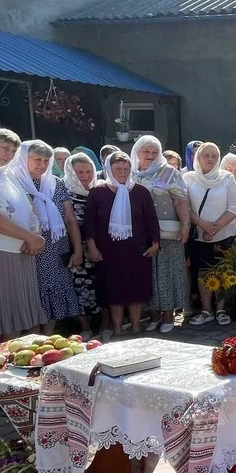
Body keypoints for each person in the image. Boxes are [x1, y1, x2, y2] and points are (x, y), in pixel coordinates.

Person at [10, 140, 83, 334]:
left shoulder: (55, 183)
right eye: (36, 159)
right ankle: (32, 339)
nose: (41, 165)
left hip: (56, 249)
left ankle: (48, 336)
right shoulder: (14, 182)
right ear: (24, 158)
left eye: (45, 160)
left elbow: (70, 219)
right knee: (31, 296)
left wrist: (77, 250)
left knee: (55, 293)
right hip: (27, 250)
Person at [84, 152, 160, 339]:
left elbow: (151, 219)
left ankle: (135, 328)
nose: (122, 172)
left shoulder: (141, 192)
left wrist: (156, 243)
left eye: (126, 168)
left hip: (136, 250)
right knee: (113, 290)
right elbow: (90, 223)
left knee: (135, 290)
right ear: (109, 168)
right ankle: (117, 330)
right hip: (108, 251)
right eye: (118, 168)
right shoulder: (98, 192)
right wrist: (92, 247)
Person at [130, 135, 190, 334]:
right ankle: (154, 315)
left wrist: (186, 225)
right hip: (140, 233)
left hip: (166, 233)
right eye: (146, 151)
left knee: (167, 273)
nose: (150, 155)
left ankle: (168, 315)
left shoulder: (169, 172)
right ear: (137, 152)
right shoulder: (131, 173)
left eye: (155, 152)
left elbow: (181, 200)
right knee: (149, 274)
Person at [184, 142, 236, 326]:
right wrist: (204, 226)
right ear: (198, 158)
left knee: (223, 271)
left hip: (224, 234)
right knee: (203, 272)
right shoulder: (188, 178)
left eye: (214, 155)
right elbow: (186, 208)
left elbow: (234, 207)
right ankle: (206, 310)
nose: (210, 159)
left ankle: (221, 309)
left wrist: (214, 227)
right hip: (199, 234)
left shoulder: (227, 178)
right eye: (206, 155)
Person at [0, 147, 47, 339]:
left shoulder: (10, 177)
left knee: (18, 313)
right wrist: (30, 237)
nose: (8, 154)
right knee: (8, 312)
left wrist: (34, 235)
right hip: (4, 251)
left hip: (21, 250)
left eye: (12, 150)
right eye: (4, 147)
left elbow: (29, 210)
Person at [63, 153, 106, 339]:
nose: (86, 176)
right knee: (78, 289)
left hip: (102, 248)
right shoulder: (65, 192)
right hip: (76, 249)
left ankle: (106, 325)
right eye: (80, 172)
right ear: (72, 173)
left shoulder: (101, 190)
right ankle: (85, 328)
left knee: (104, 286)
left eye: (89, 171)